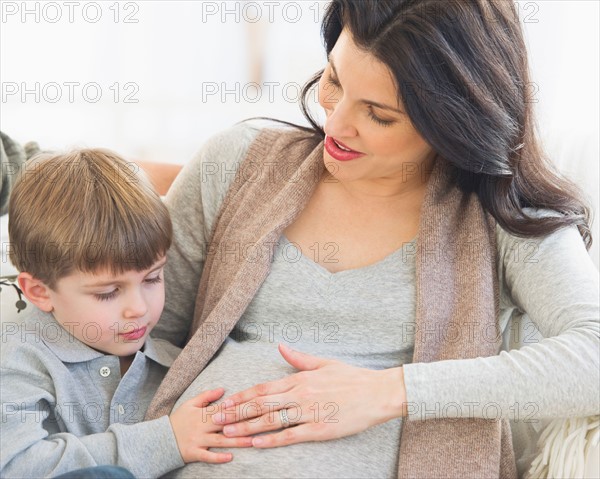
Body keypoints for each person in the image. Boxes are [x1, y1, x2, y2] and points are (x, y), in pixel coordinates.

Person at [145, 1, 599, 478]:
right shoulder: (236, 162)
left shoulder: (503, 215)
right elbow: (137, 337)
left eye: (379, 114)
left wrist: (389, 393)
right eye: (335, 80)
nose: (336, 125)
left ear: (453, 123)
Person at [0, 149, 253, 479]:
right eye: (108, 293)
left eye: (152, 278)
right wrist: (166, 440)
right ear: (40, 292)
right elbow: (16, 466)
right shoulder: (17, 359)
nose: (140, 308)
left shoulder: (173, 363)